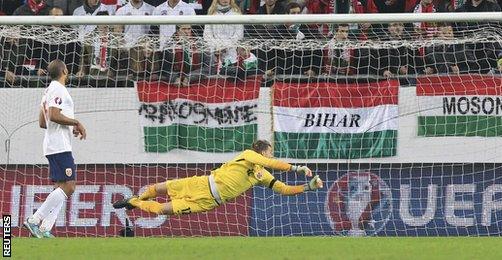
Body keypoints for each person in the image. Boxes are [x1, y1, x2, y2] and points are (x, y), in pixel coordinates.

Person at [113, 140, 323, 215]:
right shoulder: (247, 155)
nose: (270, 155)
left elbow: (283, 189)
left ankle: (133, 202)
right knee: (158, 188)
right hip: (202, 182)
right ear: (260, 151)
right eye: (269, 152)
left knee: (162, 210)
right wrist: (297, 167)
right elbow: (271, 163)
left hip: (208, 201)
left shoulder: (262, 175)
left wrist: (308, 187)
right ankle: (141, 199)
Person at [23, 59, 87, 238]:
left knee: (61, 186)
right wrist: (76, 122)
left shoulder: (47, 91)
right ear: (64, 71)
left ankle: (45, 228)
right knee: (70, 186)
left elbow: (43, 122)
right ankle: (35, 220)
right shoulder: (58, 89)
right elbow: (53, 115)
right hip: (59, 145)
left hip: (52, 143)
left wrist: (68, 126)